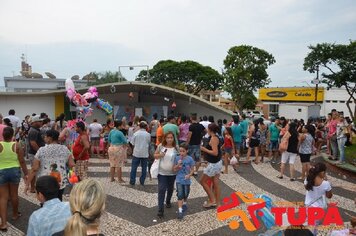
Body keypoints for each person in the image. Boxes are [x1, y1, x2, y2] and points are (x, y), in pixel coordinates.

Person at [25, 129, 75, 200]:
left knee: (45, 202)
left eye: (45, 137)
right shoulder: (65, 149)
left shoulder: (42, 150)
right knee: (58, 200)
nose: (44, 138)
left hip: (45, 182)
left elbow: (34, 168)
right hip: (60, 182)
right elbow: (72, 165)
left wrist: (27, 183)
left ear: (49, 138)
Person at [0, 127, 28, 231]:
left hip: (1, 171)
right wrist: (26, 174)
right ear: (12, 135)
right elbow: (22, 161)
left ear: (3, 135)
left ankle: (3, 223)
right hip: (14, 171)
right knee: (14, 194)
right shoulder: (17, 145)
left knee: (3, 197)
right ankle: (15, 214)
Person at [304, 162, 333, 235]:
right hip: (319, 209)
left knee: (310, 224)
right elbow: (329, 196)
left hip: (308, 206)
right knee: (314, 228)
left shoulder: (308, 179)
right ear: (322, 172)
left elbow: (307, 188)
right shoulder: (325, 183)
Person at [154, 132, 178, 217]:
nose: (169, 139)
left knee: (170, 188)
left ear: (173, 139)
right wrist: (160, 155)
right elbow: (155, 155)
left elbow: (180, 157)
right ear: (165, 138)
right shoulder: (161, 146)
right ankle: (160, 209)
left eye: (171, 137)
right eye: (168, 137)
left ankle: (168, 201)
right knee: (162, 189)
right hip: (162, 172)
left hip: (172, 173)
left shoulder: (176, 148)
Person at [200, 123, 223, 208]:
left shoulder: (213, 138)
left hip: (214, 163)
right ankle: (218, 203)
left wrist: (204, 149)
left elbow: (215, 152)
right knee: (215, 183)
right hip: (217, 162)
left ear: (210, 130)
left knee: (202, 181)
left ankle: (212, 199)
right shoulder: (216, 137)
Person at [173, 143, 195, 219]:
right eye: (180, 151)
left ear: (187, 151)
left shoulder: (190, 159)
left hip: (187, 180)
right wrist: (177, 165)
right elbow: (174, 169)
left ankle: (185, 202)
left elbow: (192, 169)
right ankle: (180, 211)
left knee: (186, 193)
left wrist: (189, 175)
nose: (181, 153)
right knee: (180, 194)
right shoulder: (176, 158)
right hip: (179, 179)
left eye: (183, 151)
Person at [27, 115, 45, 193]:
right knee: (34, 170)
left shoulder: (36, 130)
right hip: (34, 154)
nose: (42, 122)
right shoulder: (34, 131)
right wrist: (39, 152)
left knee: (36, 171)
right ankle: (32, 188)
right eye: (40, 121)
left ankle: (34, 187)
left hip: (35, 153)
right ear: (34, 122)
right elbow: (33, 143)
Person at [130, 121, 151, 186]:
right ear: (145, 127)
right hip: (145, 153)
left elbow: (132, 143)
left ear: (139, 126)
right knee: (144, 168)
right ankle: (142, 181)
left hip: (136, 153)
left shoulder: (135, 134)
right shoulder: (148, 134)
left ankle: (132, 181)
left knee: (134, 167)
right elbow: (148, 143)